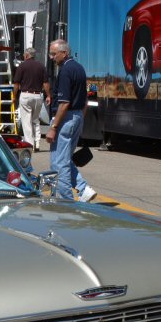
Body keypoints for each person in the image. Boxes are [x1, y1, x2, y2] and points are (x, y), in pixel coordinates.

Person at [45, 40, 95, 202]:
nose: (52, 57)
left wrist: (53, 127)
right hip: (78, 115)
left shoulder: (66, 71)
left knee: (59, 164)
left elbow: (64, 102)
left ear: (64, 53)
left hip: (66, 118)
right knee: (65, 159)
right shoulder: (79, 68)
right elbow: (85, 100)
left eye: (54, 54)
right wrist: (79, 120)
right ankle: (82, 188)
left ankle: (65, 200)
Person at [12, 48, 49, 150]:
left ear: (27, 55)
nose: (24, 56)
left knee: (26, 120)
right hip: (38, 96)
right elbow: (46, 83)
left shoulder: (22, 66)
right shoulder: (41, 66)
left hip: (26, 95)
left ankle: (30, 144)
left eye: (24, 54)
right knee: (35, 119)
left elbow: (16, 83)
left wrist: (14, 96)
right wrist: (49, 95)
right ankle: (37, 143)